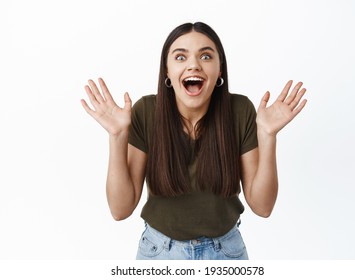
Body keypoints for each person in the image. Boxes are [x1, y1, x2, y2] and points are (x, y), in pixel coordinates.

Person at [80, 22, 307, 260]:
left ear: (220, 70)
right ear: (166, 70)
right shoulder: (147, 111)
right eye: (180, 57)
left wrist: (268, 136)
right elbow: (120, 210)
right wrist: (117, 137)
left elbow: (263, 207)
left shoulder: (239, 110)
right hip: (159, 254)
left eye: (206, 56)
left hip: (226, 254)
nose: (193, 65)